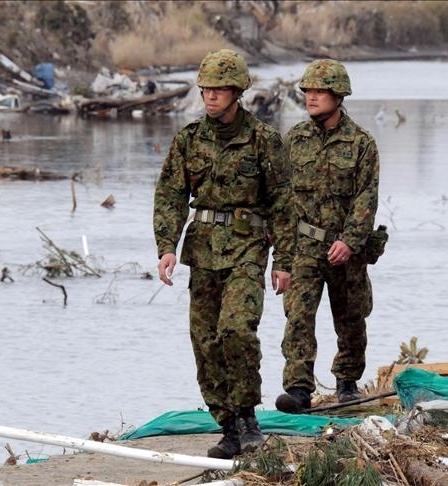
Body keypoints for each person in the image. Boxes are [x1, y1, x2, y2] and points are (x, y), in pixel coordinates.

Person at [153, 49, 296, 459]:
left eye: (219, 89)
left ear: (237, 93)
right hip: (203, 252)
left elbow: (284, 204)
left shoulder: (263, 140)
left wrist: (283, 261)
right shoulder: (189, 139)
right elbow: (170, 194)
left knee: (236, 330)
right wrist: (167, 246)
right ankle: (228, 425)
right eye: (206, 89)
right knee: (206, 342)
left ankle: (249, 417)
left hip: (247, 251)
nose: (210, 96)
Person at [276, 59, 380, 414]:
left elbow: (367, 197)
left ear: (338, 96)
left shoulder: (361, 143)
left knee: (350, 317)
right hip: (304, 245)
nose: (311, 97)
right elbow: (282, 200)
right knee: (298, 316)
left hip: (345, 247)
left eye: (320, 91)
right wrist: (282, 256)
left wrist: (349, 241)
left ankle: (347, 383)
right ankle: (298, 388)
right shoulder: (294, 141)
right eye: (308, 91)